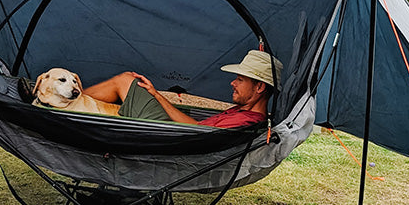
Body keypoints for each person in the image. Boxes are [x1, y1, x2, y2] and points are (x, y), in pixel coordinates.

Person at [82, 50, 282, 129]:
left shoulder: (246, 120)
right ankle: (71, 99)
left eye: (240, 79)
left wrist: (157, 97)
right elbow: (199, 127)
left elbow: (197, 132)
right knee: (130, 82)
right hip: (178, 131)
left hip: (167, 136)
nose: (232, 83)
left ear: (260, 87)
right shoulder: (242, 112)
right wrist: (156, 95)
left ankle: (66, 102)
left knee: (125, 81)